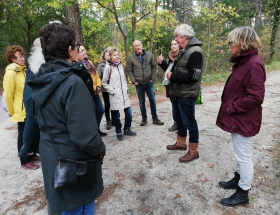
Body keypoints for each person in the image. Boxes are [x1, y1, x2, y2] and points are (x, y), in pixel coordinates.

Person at [28, 22, 106, 214]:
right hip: (75, 167)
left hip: (52, 160)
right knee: (78, 208)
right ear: (71, 50)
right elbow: (85, 137)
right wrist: (100, 150)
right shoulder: (72, 83)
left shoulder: (39, 80)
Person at [216, 27, 266, 207]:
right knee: (239, 153)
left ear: (243, 43)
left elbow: (256, 96)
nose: (231, 46)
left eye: (233, 42)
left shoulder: (253, 64)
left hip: (242, 117)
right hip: (238, 117)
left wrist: (231, 107)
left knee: (244, 155)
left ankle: (243, 191)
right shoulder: (245, 61)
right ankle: (238, 179)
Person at [165, 24, 203, 163]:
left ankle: (193, 151)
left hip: (186, 94)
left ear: (185, 37)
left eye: (177, 36)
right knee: (179, 119)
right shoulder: (185, 49)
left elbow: (194, 76)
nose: (175, 39)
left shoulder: (195, 52)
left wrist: (173, 76)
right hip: (178, 92)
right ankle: (181, 143)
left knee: (189, 122)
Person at [3, 45, 39, 170]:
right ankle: (24, 160)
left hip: (29, 108)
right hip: (20, 110)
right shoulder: (11, 73)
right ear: (13, 59)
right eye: (20, 57)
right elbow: (7, 94)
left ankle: (32, 153)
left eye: (23, 56)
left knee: (32, 131)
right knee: (23, 134)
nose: (23, 59)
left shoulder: (24, 70)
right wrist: (12, 111)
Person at [102, 48, 137, 141]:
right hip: (115, 95)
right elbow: (104, 82)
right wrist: (112, 91)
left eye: (117, 54)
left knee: (129, 113)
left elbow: (124, 80)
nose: (117, 56)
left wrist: (125, 88)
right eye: (114, 55)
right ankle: (118, 132)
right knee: (116, 116)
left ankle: (127, 129)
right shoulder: (107, 67)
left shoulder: (120, 65)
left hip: (124, 94)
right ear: (110, 56)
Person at [127, 40, 164, 126]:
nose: (138, 47)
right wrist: (133, 81)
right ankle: (144, 119)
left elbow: (154, 67)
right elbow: (129, 70)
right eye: (135, 46)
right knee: (141, 101)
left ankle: (155, 118)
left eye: (139, 45)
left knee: (152, 100)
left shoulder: (149, 55)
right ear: (133, 48)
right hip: (139, 84)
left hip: (149, 82)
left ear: (142, 45)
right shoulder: (131, 58)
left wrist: (153, 79)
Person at [78, 45, 107, 136]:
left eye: (85, 49)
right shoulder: (78, 66)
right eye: (82, 50)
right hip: (87, 94)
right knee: (90, 113)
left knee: (100, 110)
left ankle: (96, 128)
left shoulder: (89, 62)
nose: (85, 52)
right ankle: (92, 132)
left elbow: (96, 75)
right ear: (77, 53)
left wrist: (98, 86)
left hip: (95, 93)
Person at [157, 40, 180, 132]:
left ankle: (182, 125)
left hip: (179, 84)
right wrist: (161, 62)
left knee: (180, 105)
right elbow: (168, 69)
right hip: (170, 84)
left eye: (175, 44)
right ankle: (176, 123)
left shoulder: (182, 55)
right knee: (174, 105)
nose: (173, 46)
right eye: (172, 44)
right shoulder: (170, 55)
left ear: (179, 45)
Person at [97, 48, 114, 130]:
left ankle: (114, 120)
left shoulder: (113, 64)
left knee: (114, 104)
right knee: (107, 105)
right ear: (104, 57)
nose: (108, 56)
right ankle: (108, 121)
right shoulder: (100, 66)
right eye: (107, 55)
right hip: (105, 89)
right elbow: (99, 77)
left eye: (109, 55)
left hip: (113, 88)